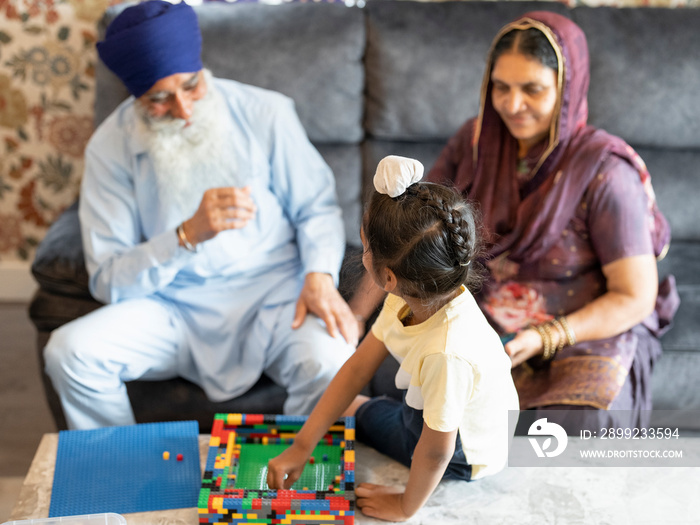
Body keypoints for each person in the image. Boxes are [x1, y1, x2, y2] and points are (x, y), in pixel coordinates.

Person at [354, 11, 678, 434]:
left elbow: (635, 296)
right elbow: (405, 229)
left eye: (533, 89)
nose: (511, 104)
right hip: (487, 321)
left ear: (567, 88)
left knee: (578, 428)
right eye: (501, 88)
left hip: (583, 330)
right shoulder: (475, 144)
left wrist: (545, 337)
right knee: (445, 417)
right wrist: (355, 317)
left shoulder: (605, 172)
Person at [43, 0, 357, 430]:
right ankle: (121, 473)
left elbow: (316, 208)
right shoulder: (108, 148)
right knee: (69, 352)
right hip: (172, 305)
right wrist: (185, 235)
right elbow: (108, 279)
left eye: (191, 86)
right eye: (159, 98)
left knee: (331, 358)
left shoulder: (265, 113)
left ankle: (296, 479)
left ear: (201, 69)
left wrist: (319, 275)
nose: (183, 110)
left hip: (274, 295)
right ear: (136, 96)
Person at [267, 156, 519, 522]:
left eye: (364, 245)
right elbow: (356, 368)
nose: (361, 248)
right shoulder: (414, 292)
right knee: (344, 407)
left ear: (387, 278)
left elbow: (436, 452)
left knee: (354, 415)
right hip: (435, 409)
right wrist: (303, 444)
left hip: (468, 452)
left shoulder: (446, 355)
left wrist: (404, 506)